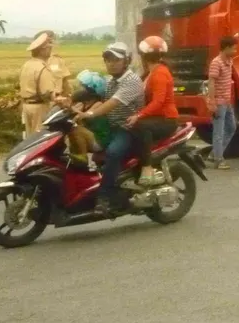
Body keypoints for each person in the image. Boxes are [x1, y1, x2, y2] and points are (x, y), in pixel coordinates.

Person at [77, 43, 145, 215]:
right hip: (110, 127)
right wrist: (68, 104)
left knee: (113, 153)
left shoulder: (132, 81)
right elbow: (91, 97)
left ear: (126, 61)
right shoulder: (109, 81)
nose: (111, 63)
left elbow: (111, 103)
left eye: (116, 60)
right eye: (108, 60)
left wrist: (89, 114)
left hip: (129, 128)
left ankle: (105, 197)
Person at [122, 36, 178, 187]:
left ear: (143, 56)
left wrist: (138, 115)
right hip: (156, 117)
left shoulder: (160, 73)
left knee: (140, 126)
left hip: (166, 119)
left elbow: (158, 102)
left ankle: (147, 168)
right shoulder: (149, 72)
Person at [64, 70, 111, 172]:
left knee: (75, 130)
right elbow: (72, 110)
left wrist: (71, 108)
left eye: (84, 87)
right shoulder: (83, 103)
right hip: (91, 136)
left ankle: (82, 159)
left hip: (100, 140)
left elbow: (83, 116)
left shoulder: (98, 104)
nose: (81, 90)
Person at [207, 36, 238, 170]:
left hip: (227, 101)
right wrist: (212, 101)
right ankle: (219, 160)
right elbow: (211, 82)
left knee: (231, 127)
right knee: (218, 132)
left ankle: (214, 153)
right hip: (219, 102)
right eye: (234, 48)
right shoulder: (216, 62)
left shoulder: (229, 60)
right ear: (226, 48)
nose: (235, 51)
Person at [19, 33, 56, 138]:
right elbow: (46, 93)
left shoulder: (27, 65)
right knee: (39, 139)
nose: (50, 50)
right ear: (42, 50)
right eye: (48, 48)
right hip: (39, 108)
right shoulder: (42, 68)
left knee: (29, 138)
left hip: (27, 106)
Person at [33, 29, 72, 100]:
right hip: (40, 102)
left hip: (57, 100)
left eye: (51, 41)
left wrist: (67, 97)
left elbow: (65, 82)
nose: (51, 44)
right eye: (49, 41)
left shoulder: (58, 60)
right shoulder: (32, 63)